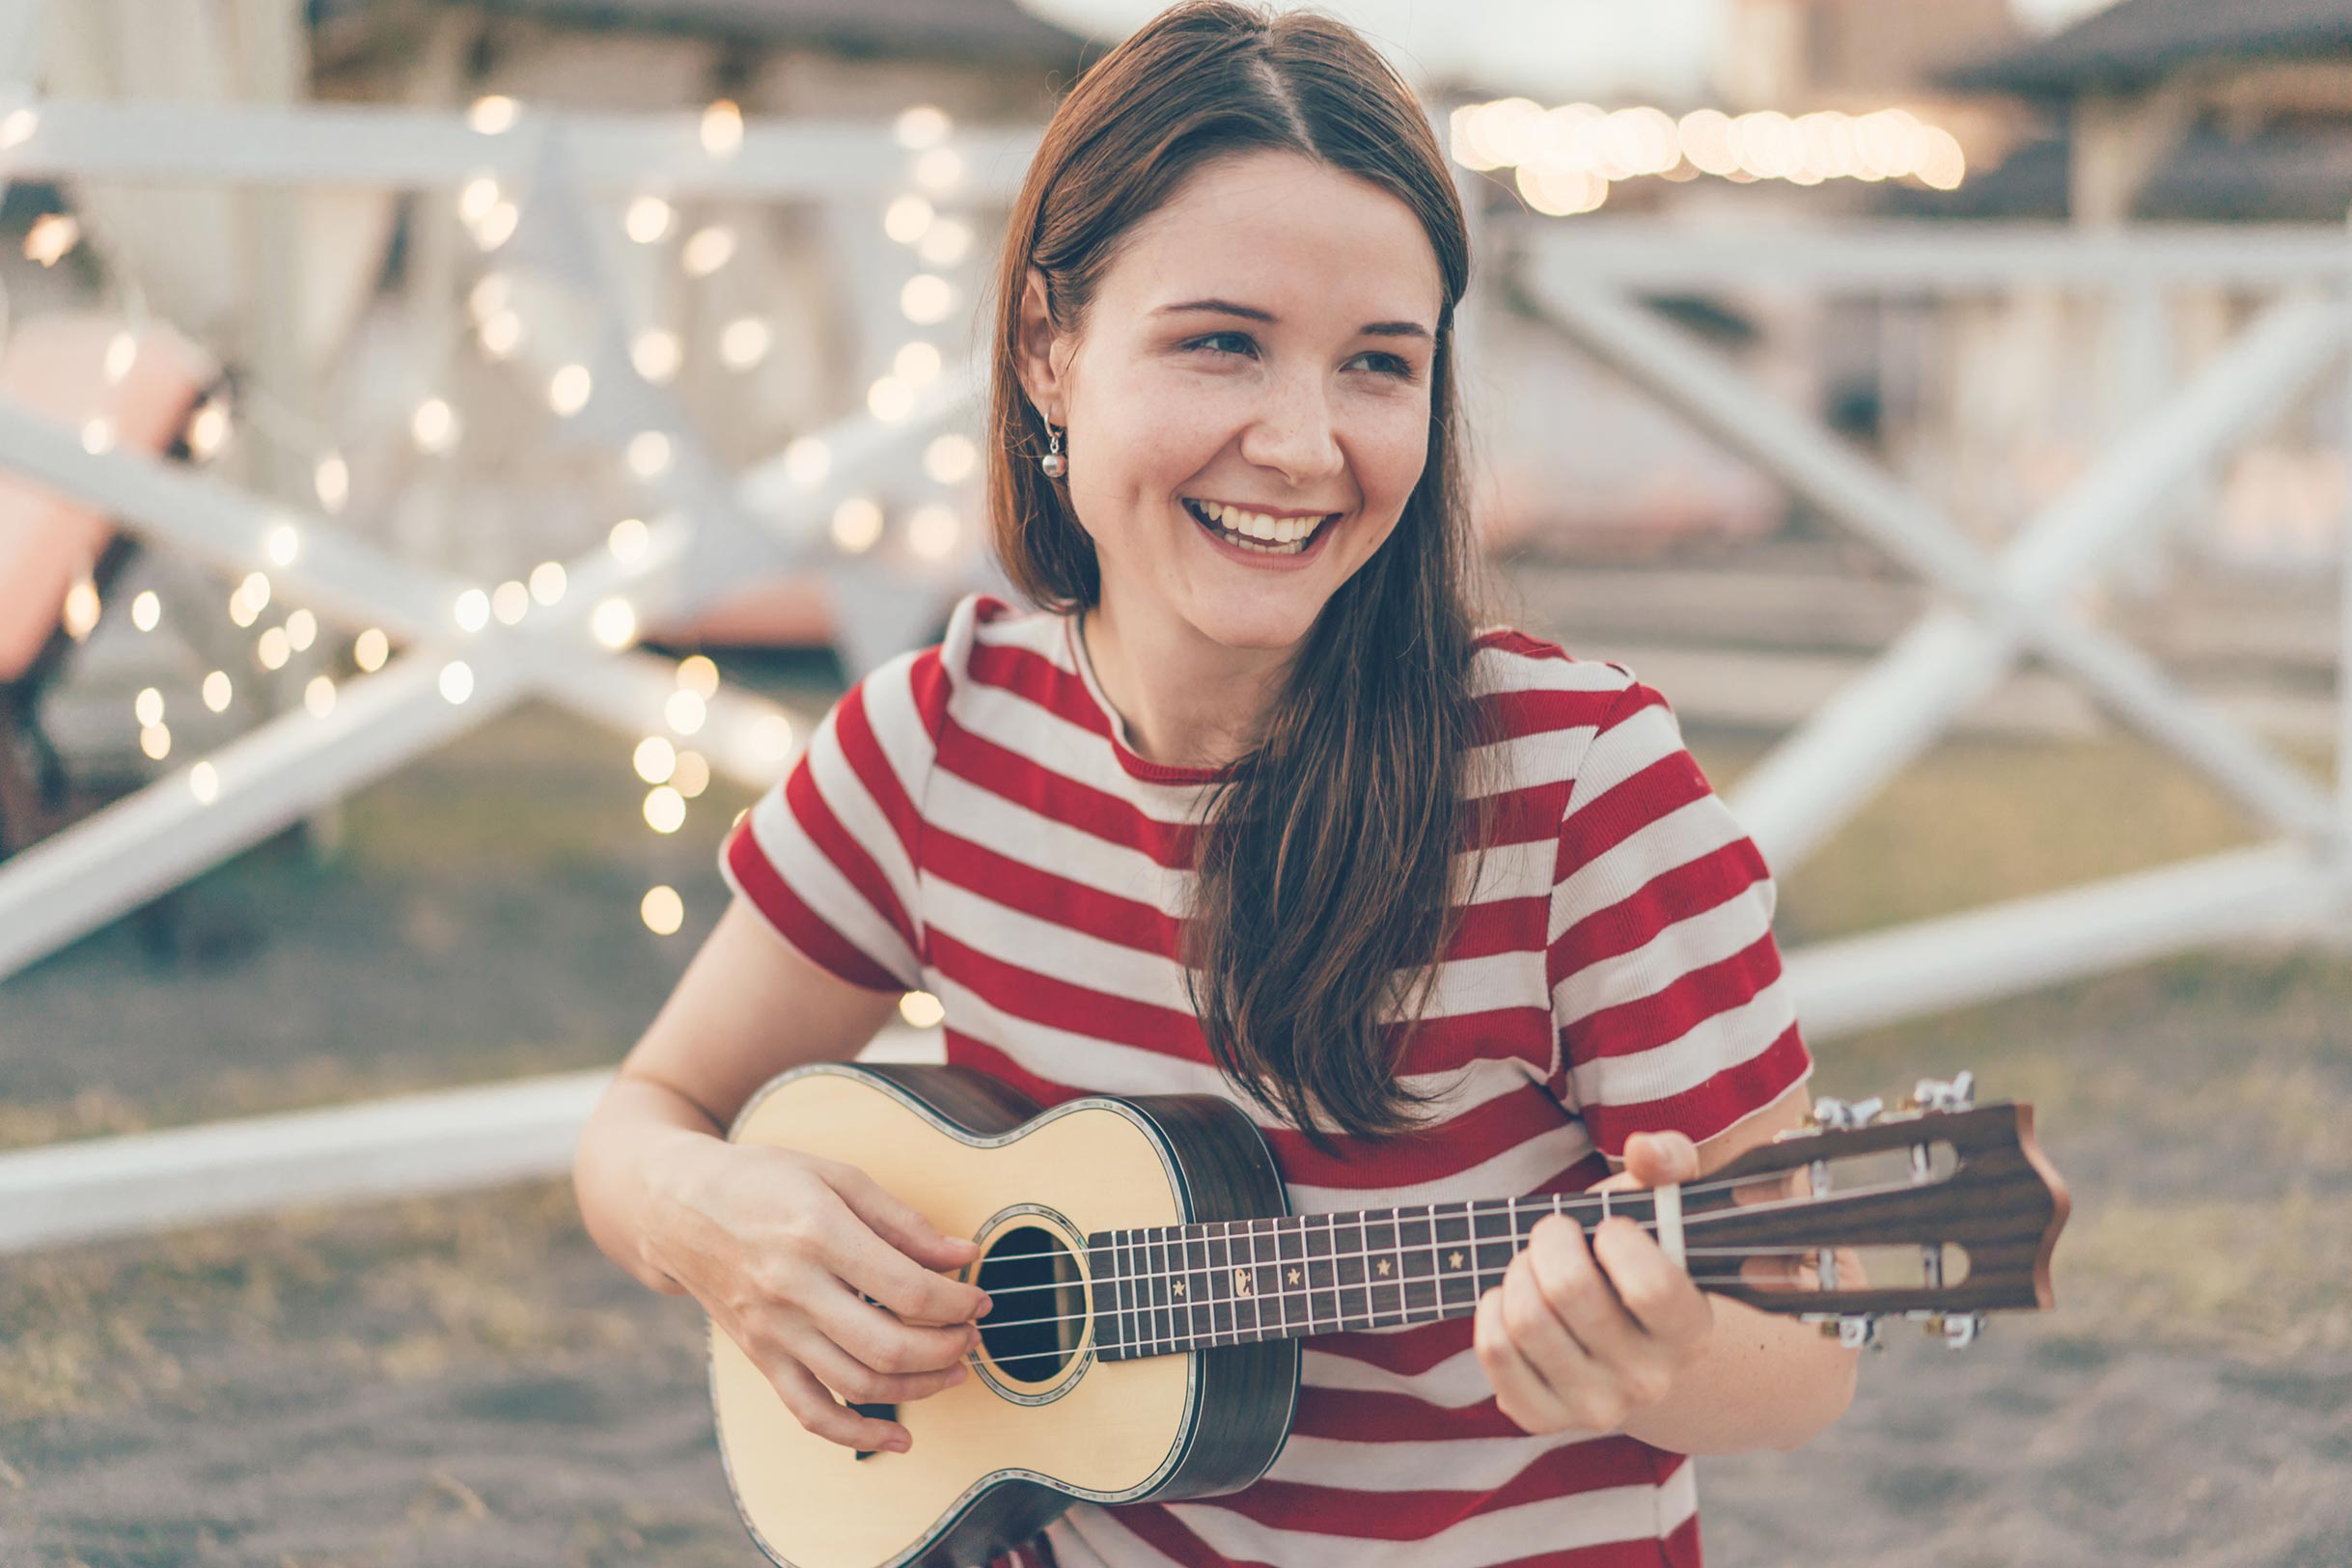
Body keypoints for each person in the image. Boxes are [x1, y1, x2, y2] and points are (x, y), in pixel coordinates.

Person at [572, 3, 1860, 1563]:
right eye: (1220, 342)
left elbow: (1810, 1338)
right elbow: (646, 1118)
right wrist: (707, 1219)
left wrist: (1664, 1359)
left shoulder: (1579, 790)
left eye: (1377, 364)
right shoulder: (930, 746)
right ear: (1050, 348)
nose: (1303, 443)